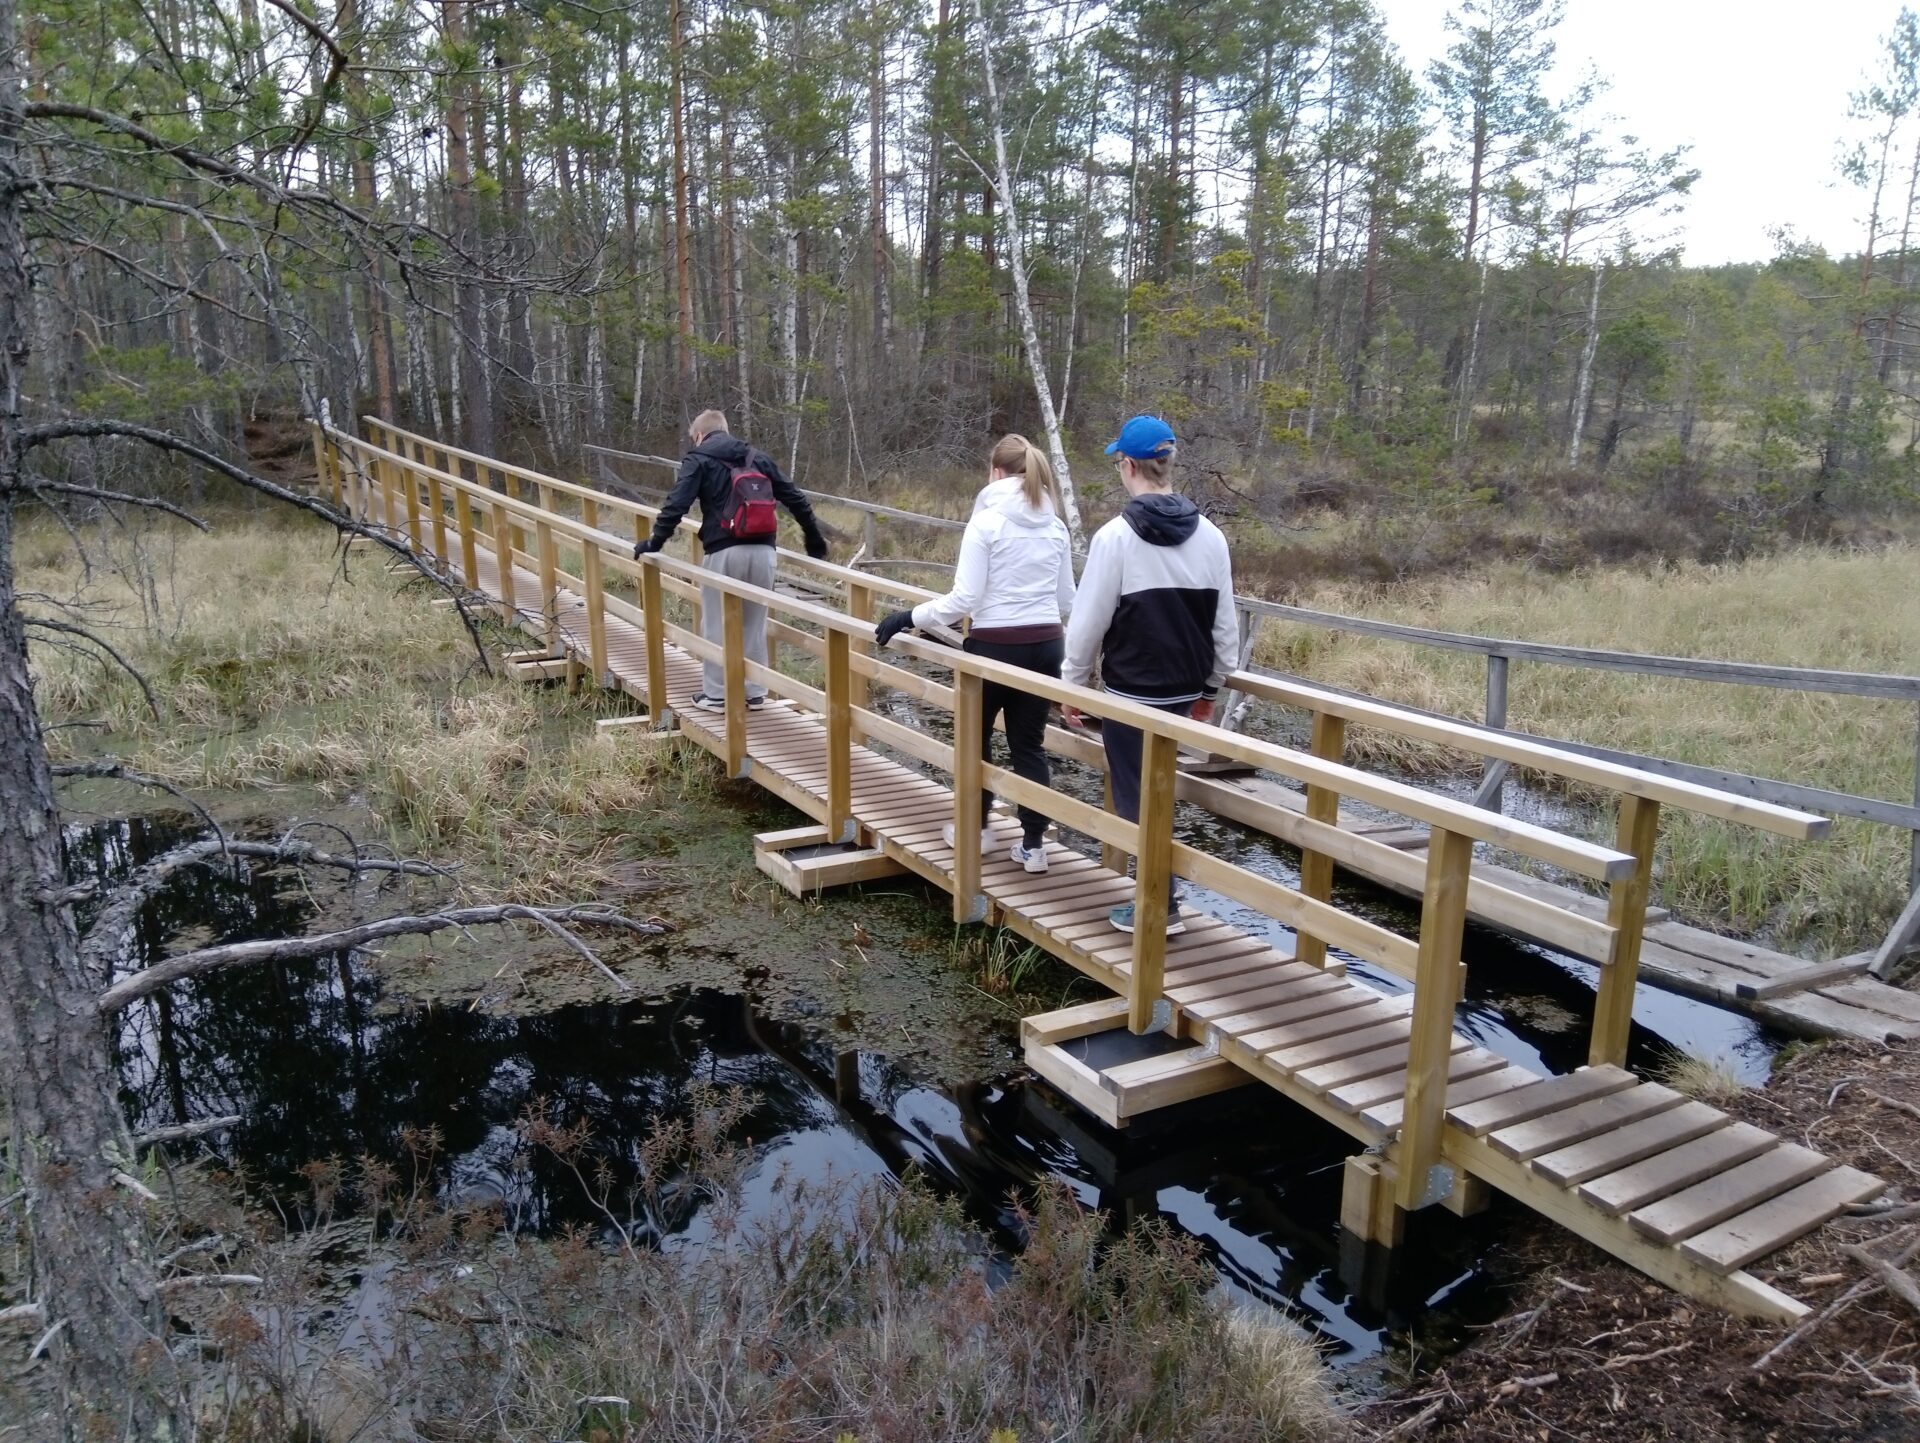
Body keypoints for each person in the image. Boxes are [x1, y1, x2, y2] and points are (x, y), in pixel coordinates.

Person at [1062, 415, 1238, 934]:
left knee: (1137, 798)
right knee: (1159, 794)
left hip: (1129, 693)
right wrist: (1211, 689)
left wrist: (1071, 685)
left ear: (1130, 465)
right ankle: (1163, 899)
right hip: (1183, 691)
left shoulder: (1115, 538)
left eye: (1119, 461)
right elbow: (1224, 628)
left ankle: (1159, 906)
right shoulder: (1211, 536)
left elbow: (1089, 622)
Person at [873, 435, 1076, 875]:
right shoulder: (1055, 525)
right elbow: (1066, 598)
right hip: (1046, 645)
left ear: (996, 472)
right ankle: (1034, 847)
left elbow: (964, 598)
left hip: (996, 649)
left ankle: (978, 831)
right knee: (1029, 745)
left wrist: (910, 616)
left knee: (974, 739)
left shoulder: (987, 522)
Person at [635, 409, 829, 712]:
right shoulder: (757, 457)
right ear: (725, 430)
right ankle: (754, 692)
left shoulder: (698, 458)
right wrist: (814, 540)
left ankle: (716, 695)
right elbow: (795, 497)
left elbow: (676, 505)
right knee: (754, 622)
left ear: (699, 435)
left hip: (724, 551)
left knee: (716, 622)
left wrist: (654, 543)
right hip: (764, 553)